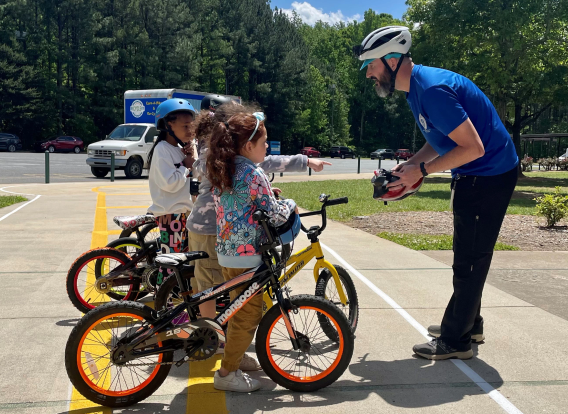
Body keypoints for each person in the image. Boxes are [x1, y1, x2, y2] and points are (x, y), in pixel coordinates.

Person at [354, 26, 519, 360]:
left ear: (392, 59)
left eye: (371, 64)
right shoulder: (416, 89)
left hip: (488, 176)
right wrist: (410, 164)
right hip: (478, 174)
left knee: (470, 260)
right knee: (468, 256)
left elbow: (472, 147)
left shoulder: (431, 90)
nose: (368, 72)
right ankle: (469, 324)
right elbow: (441, 138)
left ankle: (456, 341)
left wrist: (424, 171)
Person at [186, 97, 330, 371]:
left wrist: (304, 162)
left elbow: (263, 163)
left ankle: (231, 348)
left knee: (232, 294)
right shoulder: (219, 155)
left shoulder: (232, 156)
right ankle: (215, 344)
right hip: (209, 230)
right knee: (211, 289)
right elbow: (248, 172)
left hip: (227, 234)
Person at [206, 112, 297, 392]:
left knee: (238, 309)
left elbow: (242, 202)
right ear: (248, 146)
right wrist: (290, 204)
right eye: (264, 142)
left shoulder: (226, 167)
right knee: (247, 317)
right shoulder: (253, 173)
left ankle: (235, 356)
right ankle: (226, 374)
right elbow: (275, 214)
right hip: (247, 255)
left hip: (227, 251)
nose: (267, 147)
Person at [147, 99, 198, 287]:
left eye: (191, 126)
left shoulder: (178, 149)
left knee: (183, 263)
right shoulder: (162, 150)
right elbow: (170, 183)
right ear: (169, 125)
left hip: (183, 214)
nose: (190, 130)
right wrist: (186, 165)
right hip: (171, 215)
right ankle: (163, 308)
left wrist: (191, 157)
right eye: (185, 126)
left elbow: (195, 174)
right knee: (170, 264)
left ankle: (175, 299)